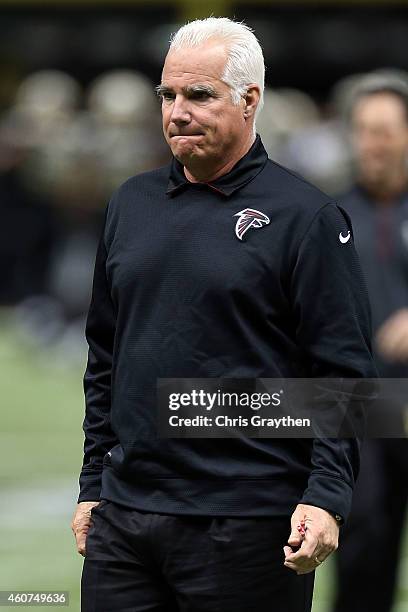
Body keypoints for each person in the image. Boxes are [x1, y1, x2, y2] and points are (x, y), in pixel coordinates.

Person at [71, 17, 376, 612]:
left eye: (199, 95)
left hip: (250, 523)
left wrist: (326, 496)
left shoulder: (306, 218)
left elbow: (343, 375)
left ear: (249, 100)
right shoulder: (129, 204)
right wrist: (92, 487)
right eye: (167, 95)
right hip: (126, 521)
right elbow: (105, 357)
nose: (176, 112)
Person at [332, 72, 408, 612]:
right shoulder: (329, 215)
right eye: (362, 131)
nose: (372, 143)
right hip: (360, 414)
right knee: (363, 551)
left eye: (384, 130)